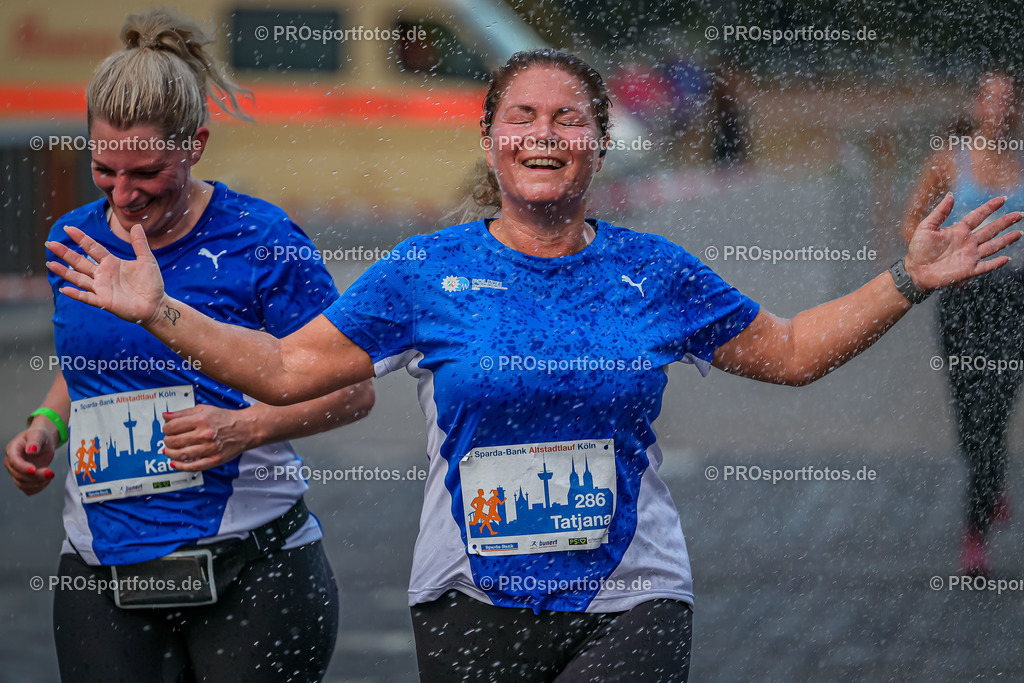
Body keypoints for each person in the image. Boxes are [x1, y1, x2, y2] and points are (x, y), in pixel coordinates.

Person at [45, 49, 1021, 683]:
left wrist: (905, 276)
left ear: (597, 140)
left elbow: (795, 350)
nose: (544, 133)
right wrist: (163, 309)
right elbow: (288, 370)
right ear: (489, 138)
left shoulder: (653, 270)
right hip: (470, 601)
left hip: (631, 594)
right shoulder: (425, 270)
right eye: (522, 116)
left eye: (566, 117)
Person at [3, 9, 374, 682]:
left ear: (195, 143)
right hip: (100, 564)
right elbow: (88, 357)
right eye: (103, 169)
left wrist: (244, 426)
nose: (123, 194)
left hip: (251, 561)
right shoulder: (73, 239)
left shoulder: (264, 238)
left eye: (145, 171)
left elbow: (354, 389)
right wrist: (47, 424)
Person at [900, 70, 1024, 576]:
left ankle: (975, 530)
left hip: (1014, 298)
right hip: (964, 299)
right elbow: (911, 221)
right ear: (976, 105)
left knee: (998, 409)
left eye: (1007, 101)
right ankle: (989, 484)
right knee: (970, 414)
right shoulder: (949, 160)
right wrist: (941, 256)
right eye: (990, 98)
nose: (998, 109)